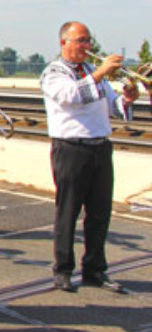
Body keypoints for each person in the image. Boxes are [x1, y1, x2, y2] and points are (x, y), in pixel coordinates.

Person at [40, 21, 138, 294]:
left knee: (99, 213)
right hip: (71, 149)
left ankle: (95, 268)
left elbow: (112, 106)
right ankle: (63, 269)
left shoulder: (93, 73)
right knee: (68, 212)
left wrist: (127, 100)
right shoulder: (54, 72)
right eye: (81, 41)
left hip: (99, 147)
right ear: (64, 43)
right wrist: (99, 73)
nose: (87, 46)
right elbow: (71, 96)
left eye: (88, 40)